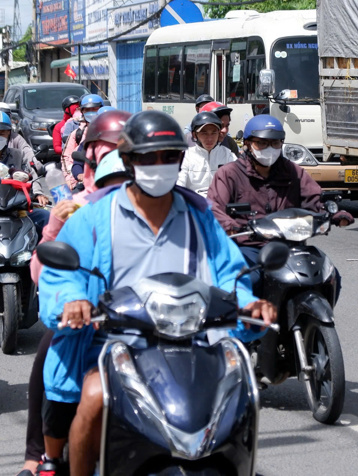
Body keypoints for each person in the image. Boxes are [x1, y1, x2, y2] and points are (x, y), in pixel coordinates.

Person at [37, 110, 277, 476]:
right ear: (129, 160)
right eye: (149, 157)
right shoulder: (95, 218)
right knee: (93, 398)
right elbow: (61, 275)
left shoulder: (200, 219)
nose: (160, 165)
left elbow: (229, 274)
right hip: (117, 346)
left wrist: (249, 305)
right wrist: (73, 301)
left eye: (170, 156)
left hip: (196, 347)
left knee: (242, 399)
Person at [19, 111, 131, 476]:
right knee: (50, 356)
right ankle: (39, 455)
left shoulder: (173, 208)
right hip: (92, 321)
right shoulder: (74, 205)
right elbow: (44, 270)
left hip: (151, 322)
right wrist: (54, 227)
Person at [207, 114, 353, 282]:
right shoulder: (229, 173)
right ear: (247, 144)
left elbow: (314, 198)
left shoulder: (292, 171)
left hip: (290, 245)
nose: (269, 148)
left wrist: (334, 214)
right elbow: (215, 207)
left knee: (328, 276)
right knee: (249, 280)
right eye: (261, 143)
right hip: (249, 247)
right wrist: (230, 225)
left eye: (275, 143)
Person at [177, 111, 237, 197]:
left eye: (214, 133)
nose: (209, 138)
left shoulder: (228, 155)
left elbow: (239, 181)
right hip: (195, 205)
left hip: (221, 204)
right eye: (204, 133)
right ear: (194, 135)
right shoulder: (186, 156)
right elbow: (179, 184)